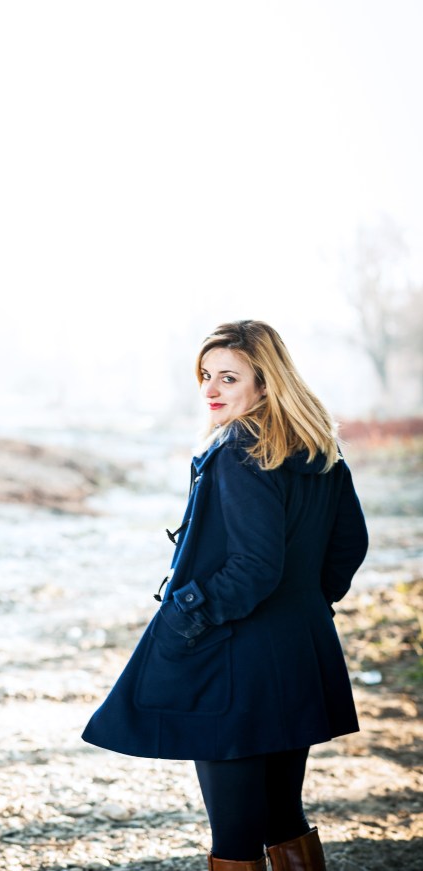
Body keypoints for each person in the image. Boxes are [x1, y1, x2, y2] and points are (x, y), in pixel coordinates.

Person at [82, 320, 368, 871]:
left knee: (236, 834)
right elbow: (348, 547)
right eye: (206, 375)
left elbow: (255, 567)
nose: (210, 389)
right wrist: (307, 607)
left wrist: (188, 615)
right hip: (297, 650)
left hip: (235, 660)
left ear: (265, 382)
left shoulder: (242, 449)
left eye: (228, 378)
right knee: (283, 814)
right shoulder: (317, 448)